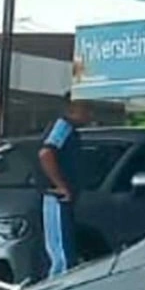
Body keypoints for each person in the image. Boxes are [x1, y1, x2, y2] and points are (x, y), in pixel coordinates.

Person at [37, 97, 93, 277]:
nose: (89, 115)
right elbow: (46, 153)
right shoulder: (62, 126)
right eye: (86, 109)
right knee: (61, 254)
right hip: (56, 198)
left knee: (66, 248)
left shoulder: (72, 131)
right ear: (73, 108)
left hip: (64, 199)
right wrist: (61, 185)